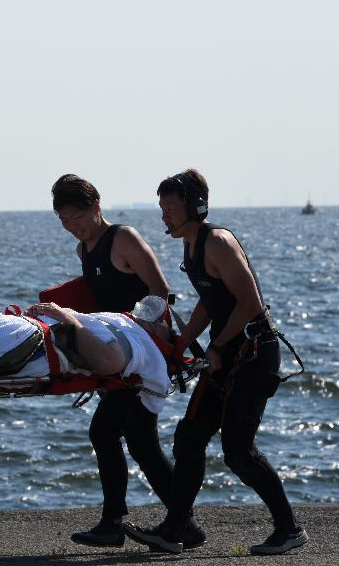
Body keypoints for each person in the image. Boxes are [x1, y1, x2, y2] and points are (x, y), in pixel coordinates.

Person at [122, 169, 308, 555]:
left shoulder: (217, 243)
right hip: (226, 353)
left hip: (254, 354)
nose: (164, 216)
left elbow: (250, 303)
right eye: (162, 208)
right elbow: (212, 300)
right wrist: (182, 342)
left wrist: (219, 346)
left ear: (196, 206)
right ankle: (177, 529)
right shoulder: (190, 248)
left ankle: (289, 530)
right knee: (189, 438)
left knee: (239, 452)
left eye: (171, 208)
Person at [51, 174, 205, 550]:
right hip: (116, 357)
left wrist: (139, 340)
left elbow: (160, 292)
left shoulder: (123, 238)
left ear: (96, 207)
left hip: (142, 355)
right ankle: (186, 525)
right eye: (65, 221)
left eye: (77, 217)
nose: (73, 228)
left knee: (104, 432)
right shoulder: (84, 252)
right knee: (141, 441)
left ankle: (112, 522)